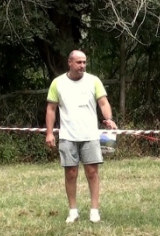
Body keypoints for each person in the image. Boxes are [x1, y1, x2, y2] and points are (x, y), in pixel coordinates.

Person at [45, 50, 117, 223]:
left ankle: (94, 211)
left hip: (90, 135)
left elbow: (103, 102)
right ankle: (73, 211)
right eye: (78, 62)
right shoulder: (58, 83)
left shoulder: (94, 81)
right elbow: (51, 109)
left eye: (84, 62)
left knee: (92, 172)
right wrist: (49, 133)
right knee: (70, 173)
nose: (82, 66)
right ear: (69, 62)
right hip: (67, 136)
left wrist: (108, 119)